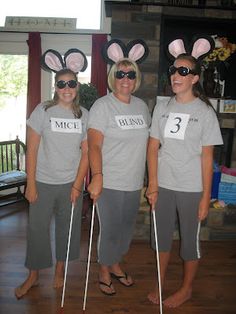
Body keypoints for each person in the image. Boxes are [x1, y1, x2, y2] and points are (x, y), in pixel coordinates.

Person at [146, 38, 223, 308]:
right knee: (161, 239)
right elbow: (153, 146)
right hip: (164, 186)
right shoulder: (162, 107)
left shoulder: (205, 113)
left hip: (191, 189)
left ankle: (187, 288)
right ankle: (159, 281)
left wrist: (204, 198)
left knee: (189, 242)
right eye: (173, 71)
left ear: (194, 78)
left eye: (183, 71)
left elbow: (207, 158)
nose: (176, 75)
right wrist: (152, 184)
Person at [15, 49, 89, 299]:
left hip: (70, 185)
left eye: (71, 83)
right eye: (61, 84)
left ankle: (60, 271)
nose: (67, 88)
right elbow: (32, 150)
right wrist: (31, 183)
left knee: (67, 231)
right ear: (55, 87)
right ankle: (34, 276)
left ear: (77, 86)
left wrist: (78, 186)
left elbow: (87, 153)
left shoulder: (84, 115)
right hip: (43, 183)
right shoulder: (43, 111)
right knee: (37, 229)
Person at [87, 39, 151, 296]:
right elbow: (93, 146)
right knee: (110, 229)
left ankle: (115, 262)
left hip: (133, 181)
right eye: (121, 74)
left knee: (125, 229)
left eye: (131, 74)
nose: (126, 79)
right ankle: (104, 269)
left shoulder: (142, 107)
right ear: (114, 77)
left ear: (136, 78)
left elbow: (147, 144)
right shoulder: (102, 106)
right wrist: (98, 176)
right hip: (110, 181)